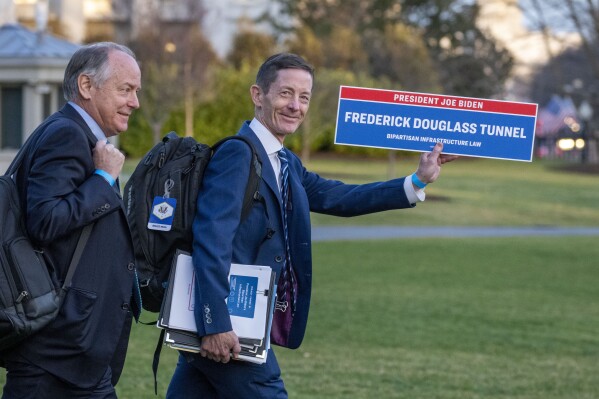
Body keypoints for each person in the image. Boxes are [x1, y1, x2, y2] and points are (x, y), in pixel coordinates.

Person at [166, 53, 458, 398]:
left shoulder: (285, 161)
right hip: (230, 322)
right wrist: (215, 324)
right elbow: (211, 240)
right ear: (258, 95)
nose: (296, 106)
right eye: (285, 94)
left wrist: (416, 181)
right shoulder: (239, 154)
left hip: (231, 322)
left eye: (304, 97)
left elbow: (340, 198)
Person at [1, 42, 142, 399]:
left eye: (136, 91)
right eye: (125, 90)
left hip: (73, 354)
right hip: (56, 353)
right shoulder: (66, 134)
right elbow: (45, 221)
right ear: (86, 86)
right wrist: (103, 180)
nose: (135, 102)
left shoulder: (81, 137)